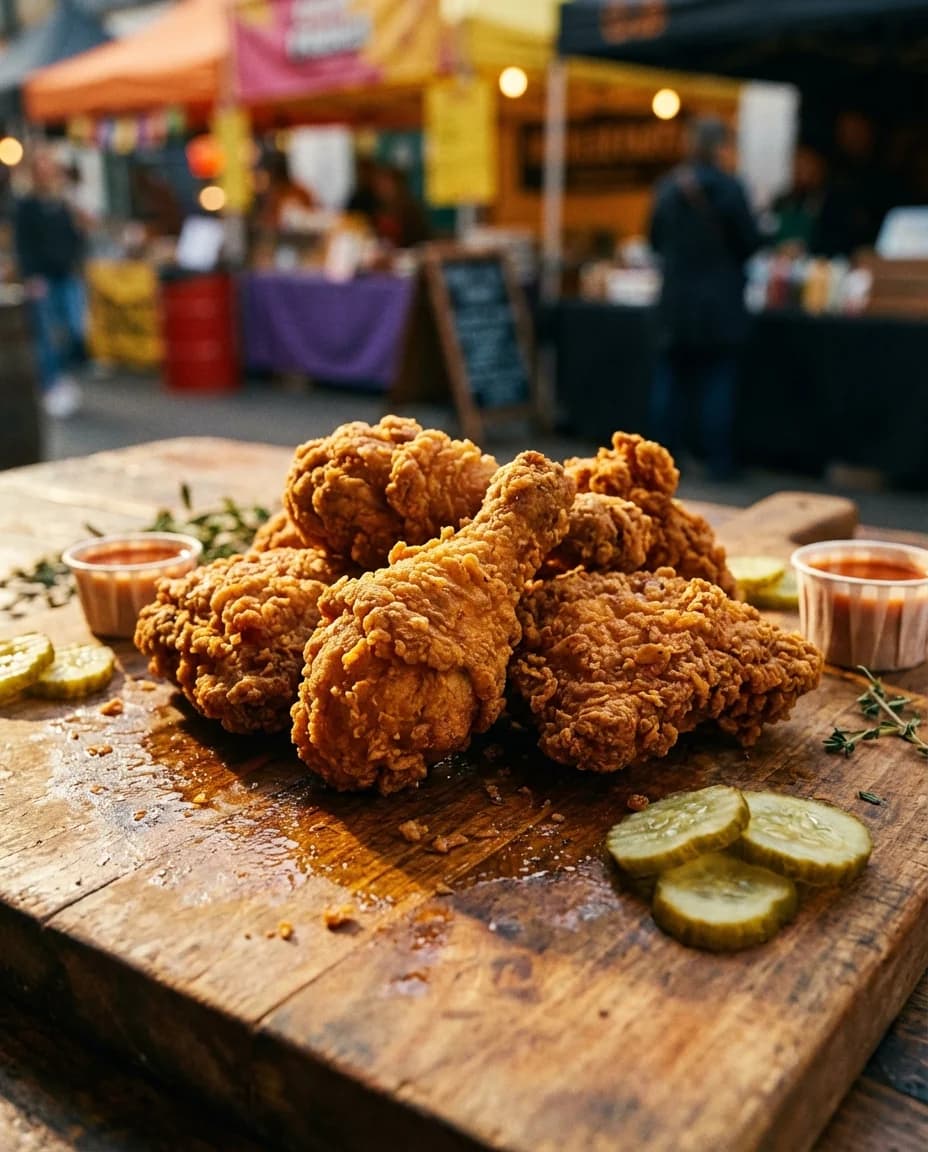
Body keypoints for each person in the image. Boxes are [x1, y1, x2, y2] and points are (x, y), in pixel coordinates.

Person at [648, 118, 761, 482]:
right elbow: (749, 242)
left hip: (677, 301)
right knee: (718, 382)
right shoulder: (731, 188)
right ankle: (718, 460)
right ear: (720, 147)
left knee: (671, 380)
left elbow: (653, 240)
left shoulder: (668, 187)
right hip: (720, 303)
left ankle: (661, 459)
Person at [13, 146, 87, 419]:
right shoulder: (26, 205)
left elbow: (75, 236)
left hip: (67, 274)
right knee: (46, 335)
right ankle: (52, 385)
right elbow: (23, 245)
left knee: (75, 328)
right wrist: (31, 276)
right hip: (42, 277)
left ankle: (63, 377)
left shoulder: (63, 201)